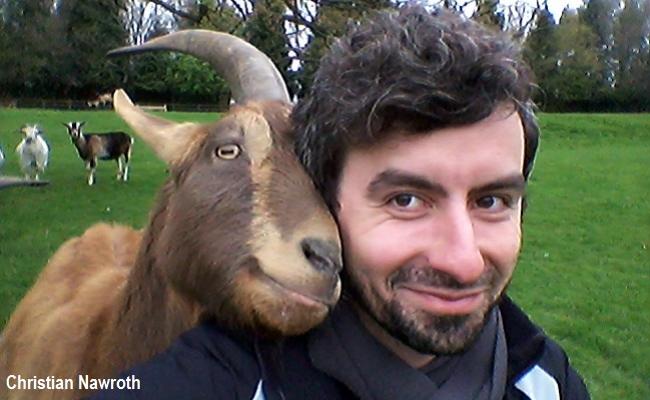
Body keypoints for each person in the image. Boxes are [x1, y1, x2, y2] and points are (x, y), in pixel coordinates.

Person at [93, 5, 589, 400]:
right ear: (325, 198)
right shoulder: (225, 380)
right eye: (407, 198)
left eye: (493, 200)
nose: (462, 261)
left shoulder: (549, 380)